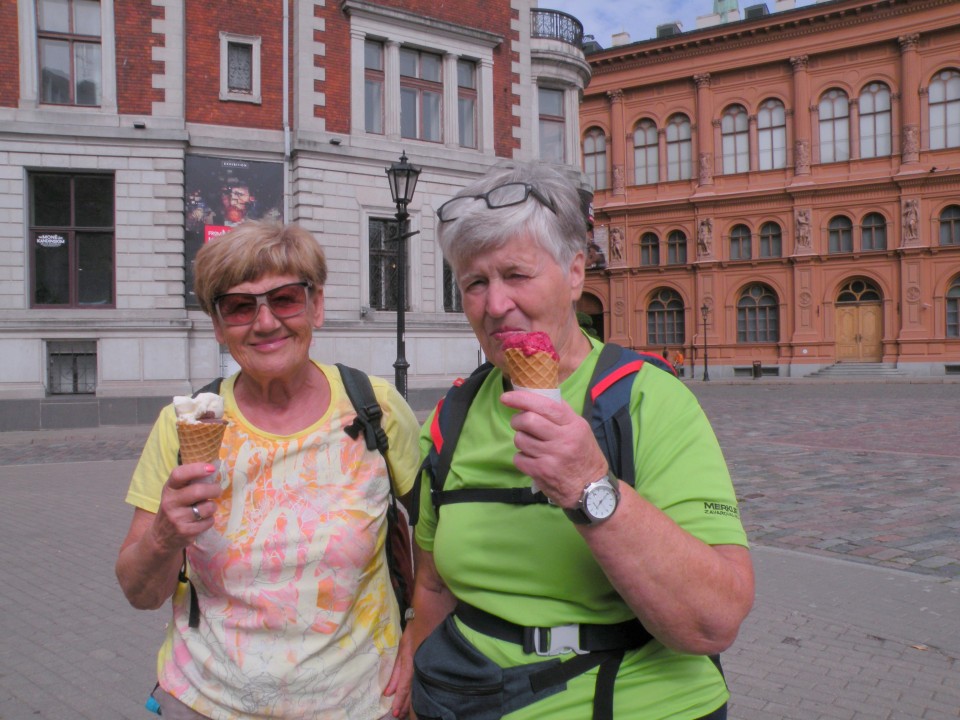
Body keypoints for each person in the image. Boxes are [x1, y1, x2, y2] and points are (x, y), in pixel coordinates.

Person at [408, 161, 754, 720]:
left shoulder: (646, 401)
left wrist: (590, 485)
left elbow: (713, 620)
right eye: (475, 282)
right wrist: (410, 680)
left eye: (516, 275)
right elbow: (432, 586)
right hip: (467, 699)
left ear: (574, 274)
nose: (496, 306)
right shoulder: (453, 414)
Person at [116, 221, 420, 719]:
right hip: (208, 703)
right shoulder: (184, 424)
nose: (264, 323)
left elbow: (434, 540)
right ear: (218, 325)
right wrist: (163, 538)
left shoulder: (375, 408)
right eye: (239, 306)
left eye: (285, 299)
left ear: (316, 305)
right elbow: (139, 593)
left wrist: (420, 637)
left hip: (362, 704)